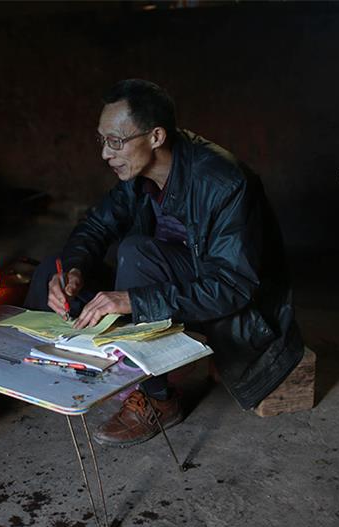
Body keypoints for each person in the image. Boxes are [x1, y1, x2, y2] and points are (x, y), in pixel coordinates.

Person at [24, 79, 305, 447]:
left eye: (116, 141)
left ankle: (158, 400)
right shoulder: (137, 175)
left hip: (236, 308)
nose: (106, 154)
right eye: (103, 140)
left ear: (156, 136)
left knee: (137, 253)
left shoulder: (225, 182)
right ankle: (23, 373)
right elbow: (95, 225)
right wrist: (73, 269)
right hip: (171, 286)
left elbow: (234, 287)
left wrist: (133, 301)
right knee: (52, 269)